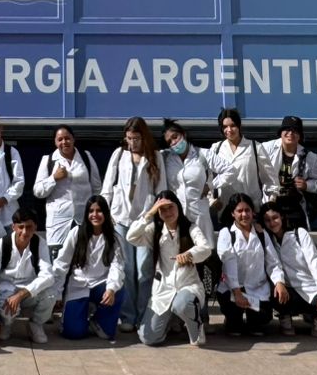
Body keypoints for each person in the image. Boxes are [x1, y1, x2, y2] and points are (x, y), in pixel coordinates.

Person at [126, 190, 212, 347]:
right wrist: (149, 214)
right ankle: (172, 320)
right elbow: (131, 237)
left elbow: (206, 248)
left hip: (188, 285)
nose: (167, 212)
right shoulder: (155, 231)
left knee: (182, 304)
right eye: (162, 209)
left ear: (178, 206)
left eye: (170, 207)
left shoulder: (190, 228)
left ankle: (196, 327)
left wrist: (189, 254)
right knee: (148, 338)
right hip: (163, 290)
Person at [100, 116, 161, 333]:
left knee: (144, 270)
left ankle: (144, 314)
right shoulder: (119, 155)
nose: (132, 143)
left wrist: (155, 216)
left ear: (144, 137)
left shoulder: (155, 157)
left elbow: (160, 191)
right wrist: (106, 214)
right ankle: (128, 315)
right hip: (121, 220)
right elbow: (108, 186)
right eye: (129, 138)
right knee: (125, 269)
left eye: (136, 138)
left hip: (144, 221)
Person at [261, 199, 317, 338]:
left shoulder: (299, 234)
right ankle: (285, 317)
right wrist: (279, 283)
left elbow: (314, 263)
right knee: (274, 289)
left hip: (310, 287)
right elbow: (273, 265)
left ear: (282, 216)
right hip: (289, 291)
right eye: (267, 220)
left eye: (275, 217)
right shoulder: (268, 240)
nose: (272, 223)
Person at [55, 196, 126, 341]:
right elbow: (62, 263)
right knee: (74, 333)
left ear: (106, 213)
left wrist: (111, 289)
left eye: (99, 211)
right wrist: (57, 292)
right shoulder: (76, 233)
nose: (95, 215)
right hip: (79, 285)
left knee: (118, 291)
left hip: (101, 285)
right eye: (91, 211)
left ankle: (98, 320)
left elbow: (117, 266)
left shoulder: (114, 238)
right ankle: (79, 314)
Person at [0, 206, 58, 343]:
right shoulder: (0, 245)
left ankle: (35, 324)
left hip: (28, 290)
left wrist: (21, 294)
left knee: (51, 293)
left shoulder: (40, 244)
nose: (25, 232)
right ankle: (6, 324)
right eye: (21, 227)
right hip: (5, 290)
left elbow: (48, 276)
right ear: (13, 227)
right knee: (6, 307)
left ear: (35, 227)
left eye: (29, 227)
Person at [32, 124, 100, 262]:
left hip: (83, 219)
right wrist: (53, 178)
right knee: (58, 263)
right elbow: (38, 191)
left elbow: (97, 188)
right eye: (60, 139)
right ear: (55, 142)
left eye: (67, 138)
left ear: (73, 139)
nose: (64, 142)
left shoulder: (86, 157)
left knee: (85, 261)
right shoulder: (48, 160)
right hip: (59, 221)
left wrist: (97, 212)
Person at [216, 194, 273, 337]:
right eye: (239, 211)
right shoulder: (226, 233)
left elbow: (273, 261)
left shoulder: (261, 234)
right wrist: (237, 292)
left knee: (260, 322)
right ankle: (232, 319)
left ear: (253, 212)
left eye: (247, 210)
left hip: (257, 288)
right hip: (233, 289)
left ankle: (253, 319)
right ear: (232, 213)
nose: (244, 214)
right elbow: (228, 262)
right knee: (234, 328)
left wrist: (279, 283)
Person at [208, 107, 270, 227]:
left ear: (239, 126)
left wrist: (266, 205)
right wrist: (212, 201)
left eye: (233, 125)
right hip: (226, 213)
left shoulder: (255, 147)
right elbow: (207, 178)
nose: (229, 130)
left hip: (251, 213)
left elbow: (270, 180)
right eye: (225, 127)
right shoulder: (216, 149)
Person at [261, 115, 317, 231]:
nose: (290, 133)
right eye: (287, 130)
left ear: (300, 136)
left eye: (295, 131)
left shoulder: (310, 157)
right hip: (271, 204)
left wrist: (306, 185)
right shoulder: (266, 148)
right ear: (281, 133)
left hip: (295, 208)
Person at [161, 119, 214, 239]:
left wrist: (210, 185)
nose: (174, 142)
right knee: (181, 252)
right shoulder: (165, 157)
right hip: (178, 216)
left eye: (175, 137)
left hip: (199, 214)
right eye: (170, 141)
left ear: (183, 134)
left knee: (204, 250)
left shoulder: (202, 154)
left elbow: (228, 170)